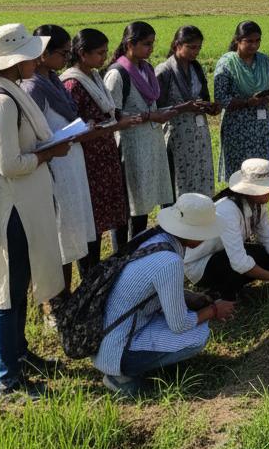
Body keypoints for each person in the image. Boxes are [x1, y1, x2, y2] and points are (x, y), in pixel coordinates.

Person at [0, 23, 71, 400]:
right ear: (15, 62)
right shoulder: (0, 103)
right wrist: (47, 154)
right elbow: (9, 164)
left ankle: (21, 356)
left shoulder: (10, 93)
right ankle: (7, 381)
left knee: (20, 287)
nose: (36, 59)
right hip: (10, 210)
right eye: (31, 54)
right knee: (6, 295)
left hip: (24, 206)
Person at [94, 192, 236, 398]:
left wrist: (190, 298)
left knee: (190, 320)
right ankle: (121, 376)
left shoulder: (152, 238)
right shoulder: (170, 261)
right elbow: (179, 324)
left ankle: (142, 361)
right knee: (198, 335)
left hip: (107, 335)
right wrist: (214, 310)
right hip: (116, 350)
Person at [23, 25, 98, 302]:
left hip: (71, 163)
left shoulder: (53, 81)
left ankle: (65, 295)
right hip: (53, 166)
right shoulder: (33, 87)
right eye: (63, 53)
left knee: (70, 232)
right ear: (43, 54)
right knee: (58, 236)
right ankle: (55, 299)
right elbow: (31, 136)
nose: (67, 59)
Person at [60, 28, 139, 272]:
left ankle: (101, 270)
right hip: (88, 159)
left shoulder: (94, 76)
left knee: (103, 217)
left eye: (105, 52)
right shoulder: (72, 83)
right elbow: (74, 128)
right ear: (82, 54)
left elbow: (109, 112)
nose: (104, 57)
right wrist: (116, 125)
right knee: (90, 221)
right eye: (99, 53)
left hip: (104, 155)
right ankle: (89, 273)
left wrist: (118, 120)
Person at [104, 22, 179, 250]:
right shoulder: (117, 75)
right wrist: (149, 116)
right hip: (131, 146)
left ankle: (137, 251)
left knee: (144, 203)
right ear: (130, 44)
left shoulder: (146, 69)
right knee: (130, 204)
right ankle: (121, 254)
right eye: (146, 44)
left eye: (152, 43)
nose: (151, 48)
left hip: (150, 144)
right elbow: (112, 116)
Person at [184, 158, 269, 300]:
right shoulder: (227, 210)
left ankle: (232, 287)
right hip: (201, 265)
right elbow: (239, 262)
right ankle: (222, 294)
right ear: (251, 190)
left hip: (223, 253)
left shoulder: (258, 205)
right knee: (235, 265)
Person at [156, 25, 219, 199]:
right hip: (177, 134)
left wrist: (210, 107)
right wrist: (184, 107)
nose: (196, 52)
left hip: (200, 134)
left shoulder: (196, 68)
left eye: (198, 47)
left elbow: (203, 97)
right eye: (191, 47)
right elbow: (156, 109)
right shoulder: (164, 71)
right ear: (177, 45)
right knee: (179, 179)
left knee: (201, 174)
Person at [214, 20, 269, 182]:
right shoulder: (227, 63)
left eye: (257, 41)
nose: (254, 45)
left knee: (262, 172)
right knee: (241, 175)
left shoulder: (264, 61)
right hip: (238, 127)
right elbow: (221, 98)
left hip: (262, 127)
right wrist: (247, 102)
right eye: (249, 41)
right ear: (238, 40)